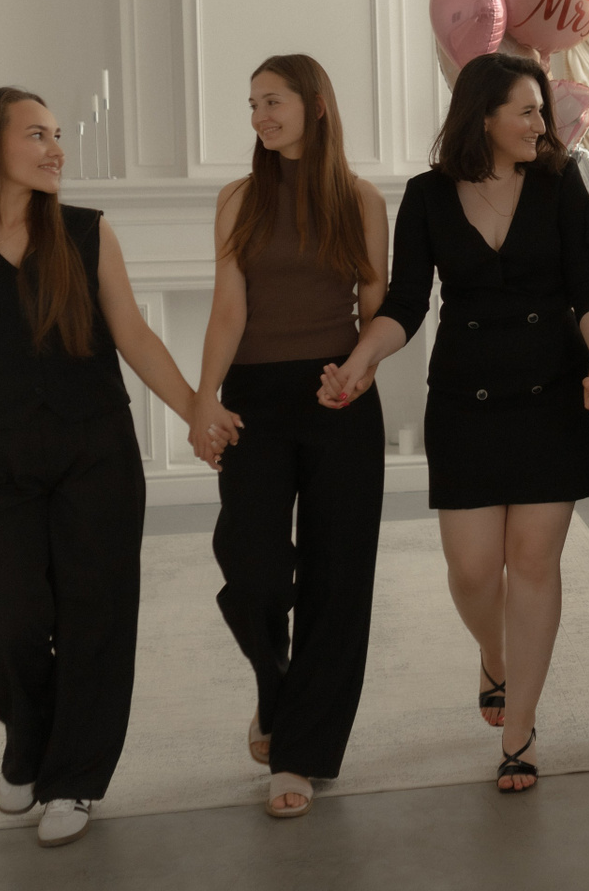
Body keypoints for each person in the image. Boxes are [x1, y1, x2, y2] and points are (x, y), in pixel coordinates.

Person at [0, 87, 198, 847]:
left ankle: (74, 781)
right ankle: (28, 742)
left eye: (58, 135)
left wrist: (197, 410)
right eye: (37, 134)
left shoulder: (87, 233)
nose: (56, 149)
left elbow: (133, 335)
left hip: (95, 453)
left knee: (97, 620)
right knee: (6, 624)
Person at [320, 53, 589, 793]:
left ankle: (520, 729)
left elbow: (587, 288)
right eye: (526, 110)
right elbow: (405, 303)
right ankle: (494, 652)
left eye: (542, 111)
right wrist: (359, 362)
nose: (541, 124)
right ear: (482, 116)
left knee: (536, 563)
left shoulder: (560, 183)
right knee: (474, 571)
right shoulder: (427, 195)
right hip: (465, 402)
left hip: (551, 396)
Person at [187, 55, 389, 818]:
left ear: (315, 105)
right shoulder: (238, 198)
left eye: (272, 101)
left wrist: (359, 371)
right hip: (255, 400)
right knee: (253, 568)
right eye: (252, 104)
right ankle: (275, 688)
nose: (259, 117)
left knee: (339, 581)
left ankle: (298, 755)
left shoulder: (361, 200)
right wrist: (204, 401)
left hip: (339, 396)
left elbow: (376, 305)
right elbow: (228, 309)